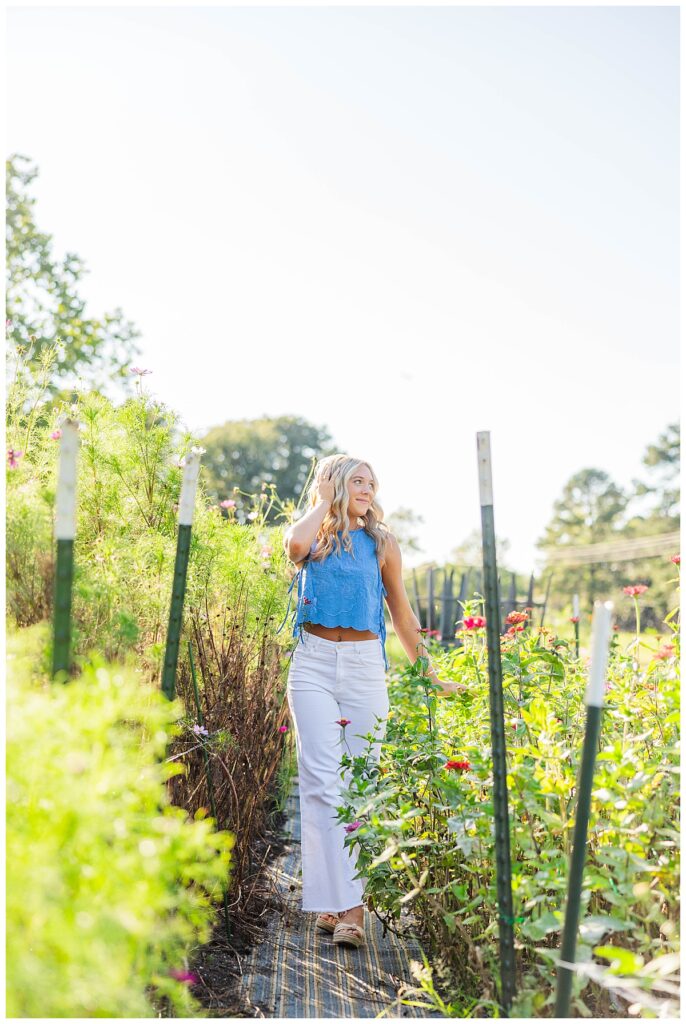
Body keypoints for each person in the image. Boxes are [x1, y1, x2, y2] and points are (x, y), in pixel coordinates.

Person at [278, 454, 462, 950]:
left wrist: (430, 674)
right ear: (333, 484)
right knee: (320, 782)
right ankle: (349, 912)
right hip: (312, 663)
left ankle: (339, 901)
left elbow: (401, 612)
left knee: (359, 782)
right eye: (355, 480)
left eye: (371, 481)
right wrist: (325, 501)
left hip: (363, 667)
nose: (367, 487)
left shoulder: (381, 542)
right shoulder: (314, 535)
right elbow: (293, 545)